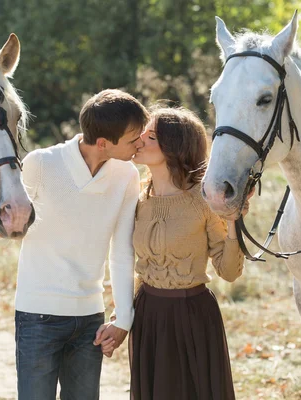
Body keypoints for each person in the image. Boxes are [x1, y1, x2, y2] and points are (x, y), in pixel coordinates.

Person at [0, 89, 149, 400]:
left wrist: (123, 318)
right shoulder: (41, 164)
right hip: (37, 316)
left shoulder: (128, 175)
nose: (141, 144)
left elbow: (122, 251)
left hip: (90, 321)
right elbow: (8, 218)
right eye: (133, 139)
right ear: (103, 143)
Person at [102, 106, 247, 399]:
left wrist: (233, 222)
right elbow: (129, 263)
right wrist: (121, 317)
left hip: (193, 317)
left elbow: (229, 272)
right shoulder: (137, 197)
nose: (139, 138)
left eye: (151, 135)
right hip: (148, 315)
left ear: (174, 146)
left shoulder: (203, 200)